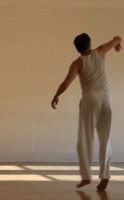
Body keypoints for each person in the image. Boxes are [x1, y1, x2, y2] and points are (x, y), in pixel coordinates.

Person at [51, 33, 121, 190]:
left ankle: (86, 177)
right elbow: (116, 38)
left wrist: (56, 95)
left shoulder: (77, 63)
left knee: (85, 137)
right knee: (105, 138)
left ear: (77, 48)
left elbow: (66, 83)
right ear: (89, 44)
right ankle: (105, 177)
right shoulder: (101, 51)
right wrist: (118, 44)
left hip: (90, 98)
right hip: (106, 97)